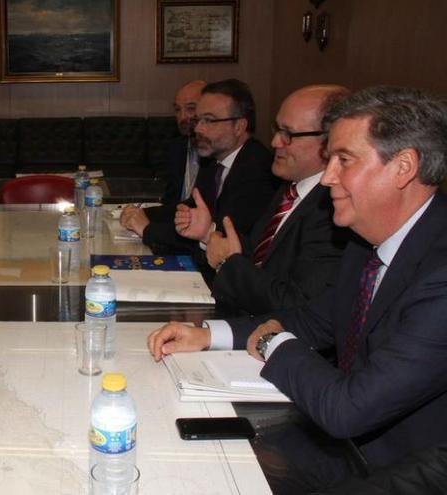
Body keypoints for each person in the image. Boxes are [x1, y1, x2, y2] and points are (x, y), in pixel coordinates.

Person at [148, 86, 447, 467]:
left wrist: (272, 340)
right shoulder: (365, 243)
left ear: (403, 167)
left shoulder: (440, 274)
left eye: (344, 160)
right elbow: (314, 320)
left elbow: (348, 409)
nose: (326, 178)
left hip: (402, 466)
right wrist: (210, 335)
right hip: (338, 439)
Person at [204, 85, 353, 314]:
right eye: (276, 129)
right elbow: (258, 255)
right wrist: (208, 233)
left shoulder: (333, 209)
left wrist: (228, 264)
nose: (275, 142)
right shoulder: (290, 188)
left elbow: (298, 305)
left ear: (330, 141)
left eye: (288, 134)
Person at [124, 79, 279, 253]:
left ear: (239, 126)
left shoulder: (258, 171)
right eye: (198, 120)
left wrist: (147, 229)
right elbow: (188, 209)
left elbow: (220, 238)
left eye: (208, 120)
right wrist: (143, 214)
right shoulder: (214, 162)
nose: (197, 128)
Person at [120, 80, 208, 246]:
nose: (182, 117)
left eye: (190, 109)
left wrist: (148, 227)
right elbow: (173, 204)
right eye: (177, 110)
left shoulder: (215, 156)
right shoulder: (177, 148)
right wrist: (141, 214)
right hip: (177, 234)